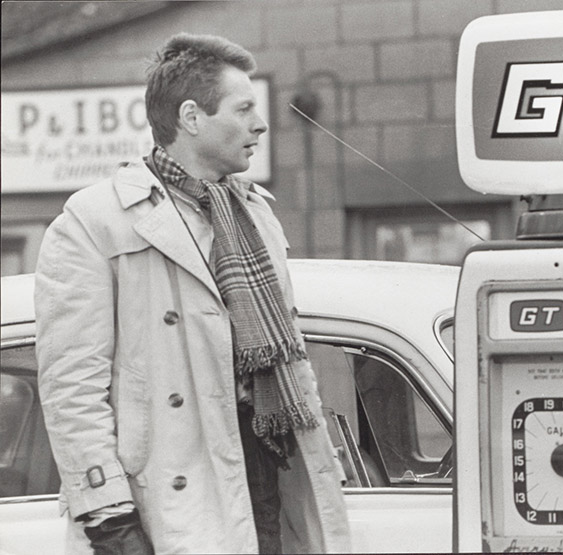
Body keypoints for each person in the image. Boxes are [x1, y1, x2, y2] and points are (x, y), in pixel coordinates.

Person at [35, 33, 351, 554]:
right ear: (191, 117)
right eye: (244, 107)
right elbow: (72, 391)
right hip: (171, 503)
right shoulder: (93, 223)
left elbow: (292, 361)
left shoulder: (256, 215)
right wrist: (109, 521)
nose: (261, 123)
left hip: (269, 476)